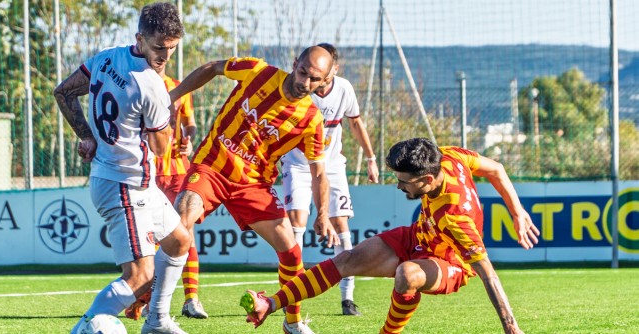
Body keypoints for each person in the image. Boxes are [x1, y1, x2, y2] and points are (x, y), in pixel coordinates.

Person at [241, 137, 541, 333]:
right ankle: (272, 304)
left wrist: (511, 326)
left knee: (407, 274)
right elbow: (497, 169)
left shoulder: (454, 216)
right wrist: (517, 212)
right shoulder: (447, 156)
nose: (399, 187)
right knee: (347, 259)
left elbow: (488, 274)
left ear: (426, 179)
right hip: (417, 236)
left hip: (449, 263)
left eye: (404, 182)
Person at [167, 46, 341, 334]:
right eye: (302, 73)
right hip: (213, 166)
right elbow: (212, 67)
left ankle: (293, 322)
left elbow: (319, 171)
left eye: (315, 80)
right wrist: (173, 97)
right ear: (294, 62)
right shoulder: (257, 71)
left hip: (253, 184)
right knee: (180, 224)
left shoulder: (311, 120)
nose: (305, 83)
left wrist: (323, 212)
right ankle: (156, 311)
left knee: (292, 252)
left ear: (324, 82)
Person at [53, 3, 191, 333]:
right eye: (159, 47)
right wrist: (169, 119)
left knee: (179, 241)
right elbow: (161, 148)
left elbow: (64, 92)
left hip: (128, 181)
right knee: (139, 275)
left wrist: (87, 135)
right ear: (140, 39)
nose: (165, 56)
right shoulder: (152, 85)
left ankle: (157, 320)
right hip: (123, 185)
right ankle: (85, 327)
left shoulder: (106, 58)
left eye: (172, 48)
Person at [280, 43, 379, 316]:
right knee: (297, 222)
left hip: (331, 166)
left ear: (333, 70)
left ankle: (347, 298)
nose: (316, 81)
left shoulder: (344, 89)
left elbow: (356, 123)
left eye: (322, 74)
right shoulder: (299, 89)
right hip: (298, 165)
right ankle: (293, 294)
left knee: (341, 225)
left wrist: (370, 158)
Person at [123, 70, 208, 320]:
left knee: (185, 234)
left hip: (178, 171)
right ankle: (146, 298)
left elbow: (188, 123)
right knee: (151, 240)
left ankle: (191, 299)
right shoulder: (134, 85)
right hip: (146, 171)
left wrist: (189, 139)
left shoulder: (179, 87)